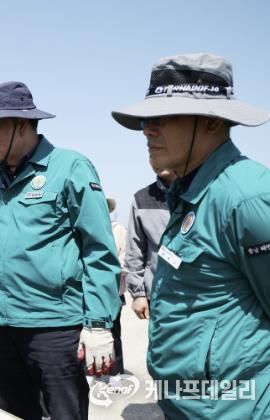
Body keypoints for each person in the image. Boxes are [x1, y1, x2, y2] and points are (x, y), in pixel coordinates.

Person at [0, 81, 121, 420]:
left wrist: (98, 323)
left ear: (22, 125)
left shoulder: (69, 168)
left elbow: (98, 250)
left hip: (55, 327)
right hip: (3, 327)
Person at [112, 53, 270, 418]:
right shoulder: (189, 193)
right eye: (146, 120)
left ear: (211, 121)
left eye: (163, 118)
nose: (147, 130)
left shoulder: (247, 197)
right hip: (187, 404)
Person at [123, 162, 176, 320]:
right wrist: (138, 294)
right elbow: (134, 250)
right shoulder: (141, 199)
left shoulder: (203, 192)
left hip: (199, 296)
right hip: (159, 297)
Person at [107, 197, 126, 375]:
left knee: (114, 333)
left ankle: (116, 373)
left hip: (113, 290)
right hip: (88, 291)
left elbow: (125, 257)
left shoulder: (118, 230)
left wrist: (105, 270)